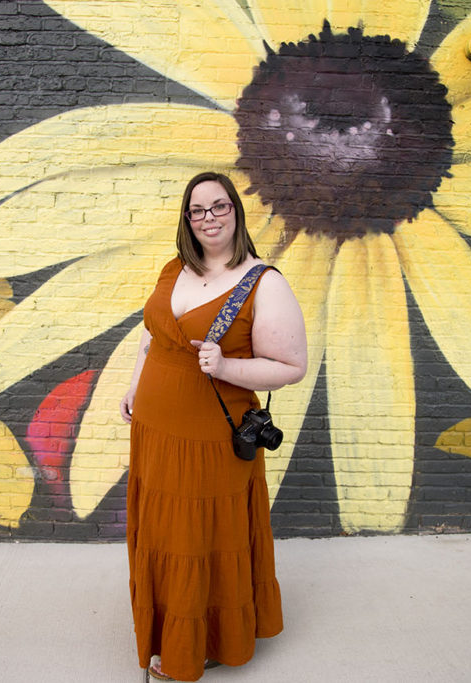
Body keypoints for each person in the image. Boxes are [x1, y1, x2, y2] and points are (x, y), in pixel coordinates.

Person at [119, 171, 308, 681]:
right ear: (187, 218)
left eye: (219, 207)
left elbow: (292, 366)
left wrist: (225, 367)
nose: (209, 218)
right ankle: (167, 625)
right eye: (198, 210)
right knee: (165, 532)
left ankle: (201, 641)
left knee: (200, 537)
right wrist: (137, 385)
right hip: (157, 430)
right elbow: (153, 336)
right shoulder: (174, 268)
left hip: (209, 439)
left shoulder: (264, 282)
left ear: (236, 212)